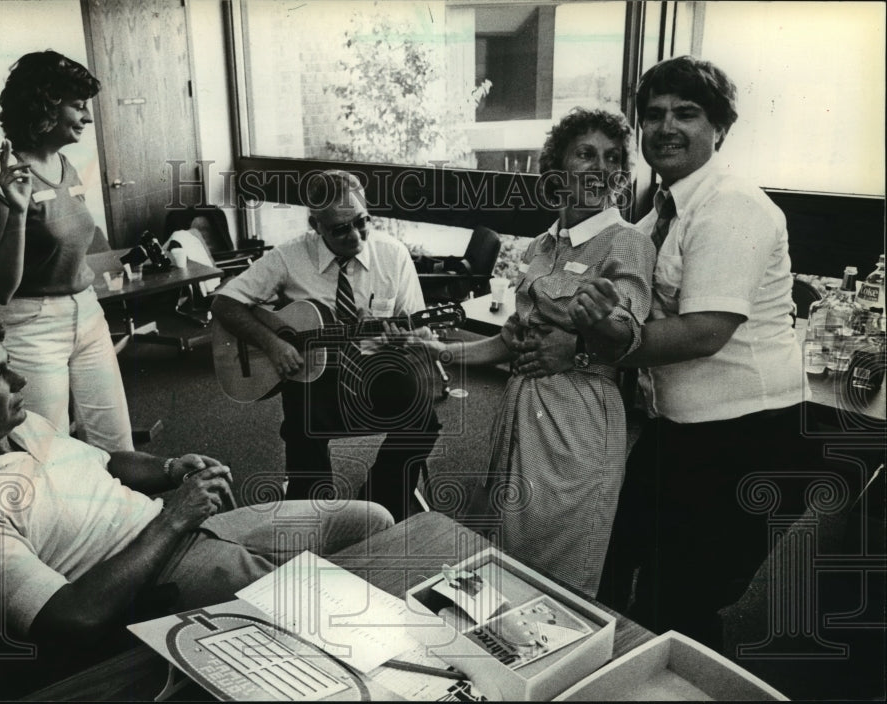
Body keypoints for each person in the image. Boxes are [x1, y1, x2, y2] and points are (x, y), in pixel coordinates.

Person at [527, 56, 814, 646]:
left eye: (687, 113)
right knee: (612, 555)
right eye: (653, 115)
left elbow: (705, 331)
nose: (667, 127)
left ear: (720, 129)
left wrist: (581, 347)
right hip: (679, 432)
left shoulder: (732, 205)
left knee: (680, 603)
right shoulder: (662, 209)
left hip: (746, 438)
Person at [0, 314, 393, 644]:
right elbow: (72, 616)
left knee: (370, 522)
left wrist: (169, 468)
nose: (19, 382)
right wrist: (174, 519)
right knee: (322, 608)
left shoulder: (21, 426)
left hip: (183, 529)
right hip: (150, 581)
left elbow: (104, 461)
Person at [421, 108, 655, 597]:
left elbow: (625, 326)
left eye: (612, 158)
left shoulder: (628, 243)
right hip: (522, 411)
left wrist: (603, 322)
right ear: (558, 167)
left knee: (560, 563)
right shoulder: (541, 245)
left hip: (578, 419)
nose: (601, 167)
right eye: (585, 154)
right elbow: (512, 340)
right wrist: (444, 353)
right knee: (509, 550)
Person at [212, 170, 440, 522]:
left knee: (423, 418)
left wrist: (403, 340)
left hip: (373, 368)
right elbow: (224, 303)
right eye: (340, 229)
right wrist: (272, 344)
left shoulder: (393, 256)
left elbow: (420, 333)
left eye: (362, 222)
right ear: (315, 225)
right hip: (313, 379)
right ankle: (313, 506)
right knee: (303, 418)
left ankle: (380, 501)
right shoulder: (288, 257)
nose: (355, 235)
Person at [0, 50, 132, 452]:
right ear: (46, 107)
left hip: (88, 313)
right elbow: (1, 288)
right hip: (34, 326)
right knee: (47, 451)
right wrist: (19, 210)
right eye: (79, 106)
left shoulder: (64, 163)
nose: (87, 117)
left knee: (116, 442)